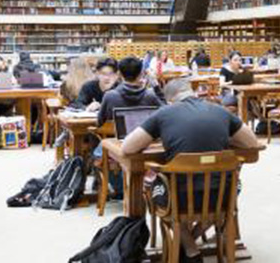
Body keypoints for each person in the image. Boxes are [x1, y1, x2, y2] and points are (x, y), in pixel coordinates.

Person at [121, 79, 260, 263]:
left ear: (169, 100)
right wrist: (223, 136)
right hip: (222, 196)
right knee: (233, 188)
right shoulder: (220, 111)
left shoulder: (164, 114)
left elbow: (128, 147)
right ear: (192, 92)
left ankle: (189, 248)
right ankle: (190, 243)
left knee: (152, 191)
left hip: (179, 198)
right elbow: (251, 142)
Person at [97, 57, 162, 126]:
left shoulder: (110, 96)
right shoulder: (150, 96)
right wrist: (156, 86)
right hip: (144, 136)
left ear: (120, 75)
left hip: (114, 136)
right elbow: (166, 113)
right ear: (141, 74)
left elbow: (99, 122)